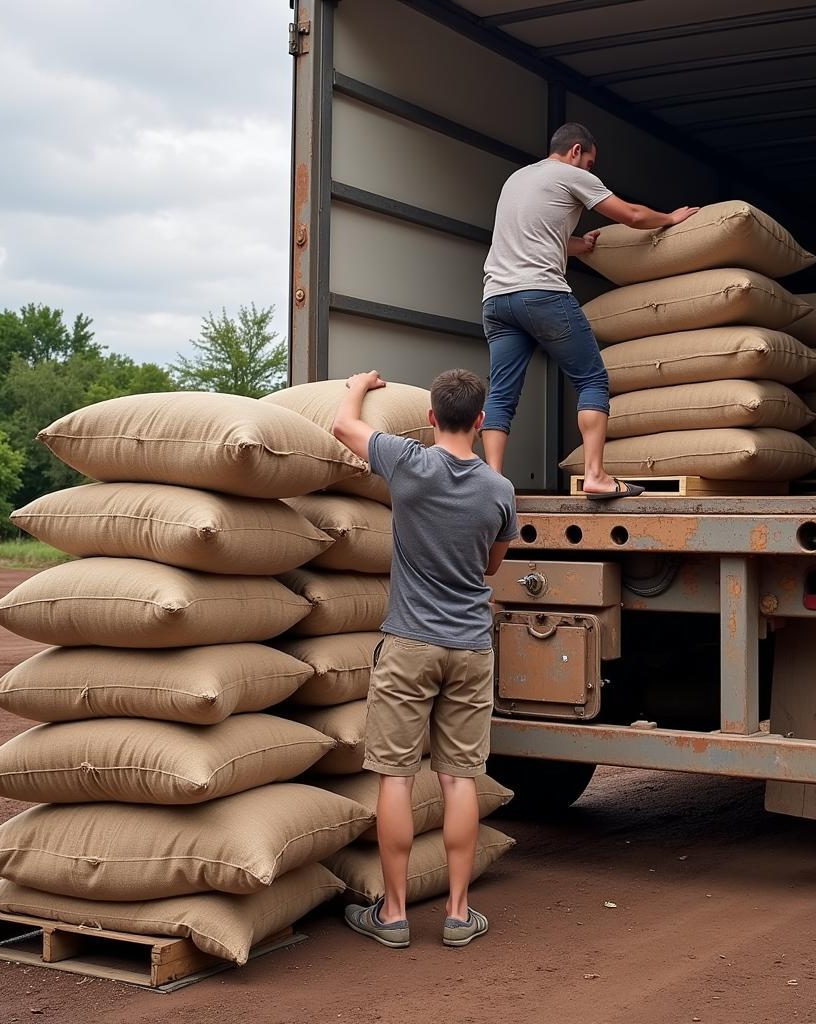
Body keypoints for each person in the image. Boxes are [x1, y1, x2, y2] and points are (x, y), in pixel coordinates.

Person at [331, 367, 517, 949]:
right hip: (470, 647)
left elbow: (342, 424)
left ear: (432, 418)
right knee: (460, 778)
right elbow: (492, 565)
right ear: (481, 421)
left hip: (410, 643)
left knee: (396, 775)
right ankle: (459, 913)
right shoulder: (499, 491)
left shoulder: (407, 462)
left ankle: (394, 913)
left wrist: (361, 382)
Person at [482, 121, 700, 498]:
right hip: (542, 294)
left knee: (502, 394)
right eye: (590, 162)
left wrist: (578, 246)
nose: (590, 171)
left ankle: (490, 483)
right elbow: (630, 215)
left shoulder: (516, 179)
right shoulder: (569, 173)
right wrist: (669, 218)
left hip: (496, 299)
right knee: (592, 379)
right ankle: (596, 475)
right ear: (576, 150)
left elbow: (533, 236)